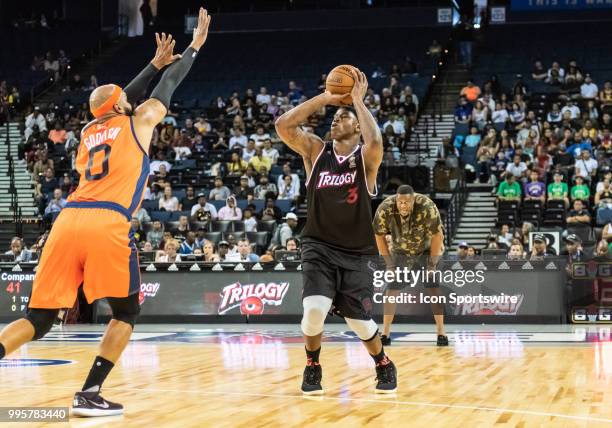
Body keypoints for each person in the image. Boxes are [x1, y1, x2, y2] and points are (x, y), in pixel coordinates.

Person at [0, 12, 211, 417]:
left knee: (38, 317)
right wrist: (194, 46)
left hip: (67, 220)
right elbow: (167, 86)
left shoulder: (87, 131)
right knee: (127, 312)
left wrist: (150, 64)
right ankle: (89, 392)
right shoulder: (142, 119)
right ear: (124, 105)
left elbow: (114, 100)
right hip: (107, 221)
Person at [275, 67, 396, 394]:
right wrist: (326, 98)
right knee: (313, 311)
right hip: (318, 245)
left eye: (343, 118)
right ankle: (312, 364)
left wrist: (357, 101)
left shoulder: (366, 157)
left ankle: (382, 362)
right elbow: (282, 125)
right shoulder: (316, 151)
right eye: (334, 118)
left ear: (356, 124)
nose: (334, 120)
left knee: (360, 323)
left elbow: (376, 140)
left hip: (357, 252)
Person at [372, 185, 447, 347]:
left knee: (433, 287)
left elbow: (437, 235)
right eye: (400, 202)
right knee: (391, 289)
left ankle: (441, 333)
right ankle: (385, 333)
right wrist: (390, 265)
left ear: (413, 200)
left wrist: (432, 265)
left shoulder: (427, 206)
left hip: (427, 249)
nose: (403, 205)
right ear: (396, 200)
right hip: (401, 252)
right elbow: (379, 236)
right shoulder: (385, 208)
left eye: (407, 202)